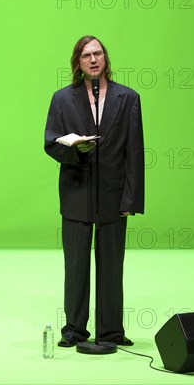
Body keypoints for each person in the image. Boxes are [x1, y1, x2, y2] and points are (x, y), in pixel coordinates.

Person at [44, 36, 144, 347]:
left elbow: (135, 152)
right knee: (75, 265)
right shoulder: (62, 99)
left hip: (114, 196)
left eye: (98, 53)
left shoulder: (128, 98)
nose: (93, 59)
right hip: (76, 191)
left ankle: (111, 331)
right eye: (86, 55)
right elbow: (51, 143)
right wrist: (77, 149)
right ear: (78, 62)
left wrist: (131, 199)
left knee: (112, 265)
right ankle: (74, 329)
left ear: (105, 58)